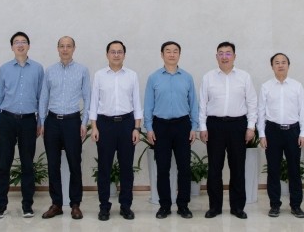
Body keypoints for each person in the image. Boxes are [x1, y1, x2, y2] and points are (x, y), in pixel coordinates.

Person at [198, 41, 258, 220]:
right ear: (216, 56)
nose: (224, 57)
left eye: (228, 53)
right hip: (214, 126)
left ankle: (237, 207)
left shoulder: (244, 77)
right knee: (214, 169)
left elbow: (252, 103)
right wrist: (203, 127)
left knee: (238, 168)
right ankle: (214, 207)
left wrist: (251, 127)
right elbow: (202, 104)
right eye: (221, 53)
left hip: (238, 125)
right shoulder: (208, 77)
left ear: (234, 56)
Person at [0, 32, 44, 219]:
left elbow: (41, 98)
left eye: (23, 42)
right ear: (12, 47)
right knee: (3, 163)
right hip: (6, 120)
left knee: (27, 164)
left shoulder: (38, 69)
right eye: (16, 42)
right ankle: (1, 205)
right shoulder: (4, 68)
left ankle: (27, 205)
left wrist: (40, 122)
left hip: (29, 121)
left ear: (28, 46)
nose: (20, 45)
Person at [144, 41, 198, 219]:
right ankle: (164, 206)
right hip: (161, 126)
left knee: (184, 168)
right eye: (168, 51)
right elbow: (148, 105)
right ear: (162, 55)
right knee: (162, 168)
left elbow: (194, 104)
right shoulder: (154, 78)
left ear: (179, 55)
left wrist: (194, 127)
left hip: (183, 125)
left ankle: (183, 205)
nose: (172, 54)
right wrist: (149, 128)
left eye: (175, 51)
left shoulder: (187, 77)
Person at [38, 36, 91, 220]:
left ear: (74, 48)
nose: (65, 49)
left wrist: (84, 123)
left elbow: (88, 97)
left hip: (72, 122)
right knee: (53, 164)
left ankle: (75, 204)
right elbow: (44, 97)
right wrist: (42, 122)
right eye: (62, 46)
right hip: (52, 121)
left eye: (68, 46)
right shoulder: (50, 71)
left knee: (74, 163)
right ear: (57, 48)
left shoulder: (82, 70)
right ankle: (56, 204)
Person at [90, 40, 143, 221]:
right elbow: (94, 103)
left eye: (119, 52)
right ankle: (104, 207)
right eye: (113, 52)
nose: (116, 55)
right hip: (105, 124)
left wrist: (137, 128)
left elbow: (137, 103)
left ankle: (126, 206)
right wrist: (94, 127)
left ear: (124, 55)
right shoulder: (99, 75)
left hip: (127, 124)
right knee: (104, 167)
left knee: (126, 168)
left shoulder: (132, 75)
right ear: (107, 54)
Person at [258, 52, 304, 218]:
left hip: (293, 132)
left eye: (283, 62)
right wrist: (262, 134)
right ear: (272, 66)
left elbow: (303, 111)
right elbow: (261, 112)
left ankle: (296, 205)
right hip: (272, 131)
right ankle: (274, 205)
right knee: (273, 170)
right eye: (277, 62)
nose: (280, 65)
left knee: (294, 170)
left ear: (288, 65)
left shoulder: (297, 86)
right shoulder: (266, 87)